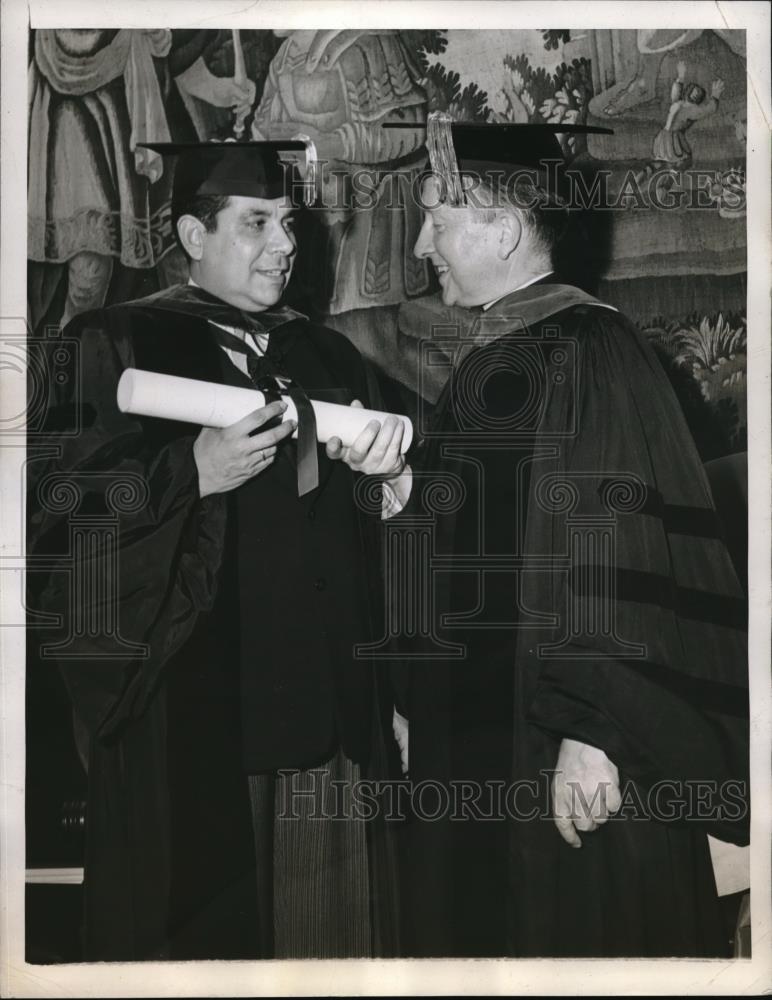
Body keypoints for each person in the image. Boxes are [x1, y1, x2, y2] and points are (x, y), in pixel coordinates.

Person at [26, 141, 407, 961]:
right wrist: (186, 475)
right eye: (258, 223)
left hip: (325, 713)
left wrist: (392, 481)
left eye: (289, 224)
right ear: (194, 237)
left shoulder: (328, 355)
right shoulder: (114, 343)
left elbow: (369, 525)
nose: (286, 244)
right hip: (195, 712)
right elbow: (52, 521)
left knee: (328, 947)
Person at [384, 117, 749, 957]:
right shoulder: (490, 358)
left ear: (504, 228)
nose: (418, 245)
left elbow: (616, 549)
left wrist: (595, 733)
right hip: (482, 734)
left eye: (435, 221)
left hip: (560, 744)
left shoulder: (592, 346)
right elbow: (470, 545)